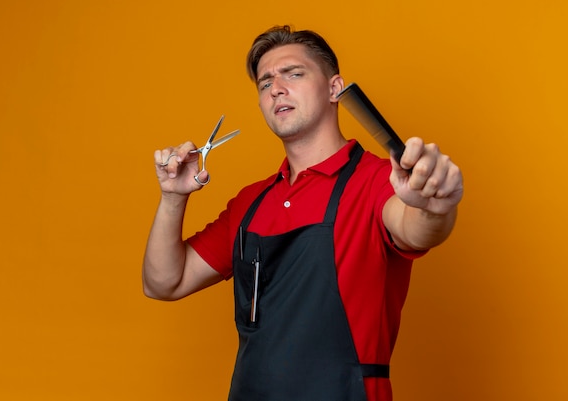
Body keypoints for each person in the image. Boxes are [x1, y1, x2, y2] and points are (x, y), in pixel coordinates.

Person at [143, 25, 463, 401]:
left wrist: (435, 205)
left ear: (334, 89)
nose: (276, 87)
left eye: (293, 73)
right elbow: (164, 282)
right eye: (265, 83)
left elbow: (416, 228)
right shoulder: (250, 202)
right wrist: (172, 197)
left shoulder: (379, 181)